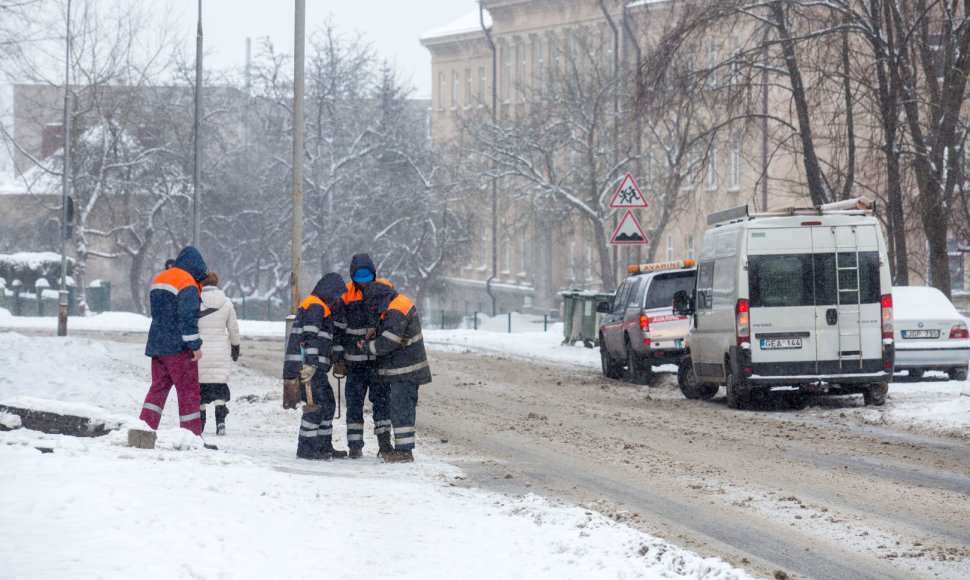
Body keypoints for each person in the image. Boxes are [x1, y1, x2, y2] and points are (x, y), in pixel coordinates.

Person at [139, 246, 211, 443]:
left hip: (157, 345)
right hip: (178, 349)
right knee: (188, 393)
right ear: (196, 267)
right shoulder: (187, 282)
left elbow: (160, 313)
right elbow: (188, 318)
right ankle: (192, 437)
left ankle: (144, 430)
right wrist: (194, 345)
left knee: (158, 389)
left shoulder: (160, 278)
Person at [358, 279, 432, 463]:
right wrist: (378, 331)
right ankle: (403, 450)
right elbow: (393, 333)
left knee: (402, 409)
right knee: (402, 408)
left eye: (373, 306)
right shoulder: (396, 303)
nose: (374, 310)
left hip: (405, 371)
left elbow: (388, 342)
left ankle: (404, 452)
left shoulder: (395, 311)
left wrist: (368, 346)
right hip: (407, 369)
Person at [283, 272, 350, 460]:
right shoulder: (315, 305)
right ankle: (306, 448)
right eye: (337, 295)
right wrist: (311, 365)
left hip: (314, 369)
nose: (338, 300)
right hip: (306, 369)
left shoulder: (323, 308)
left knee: (327, 404)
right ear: (329, 291)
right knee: (315, 406)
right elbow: (309, 338)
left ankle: (323, 446)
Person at [338, 253, 393, 459]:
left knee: (381, 403)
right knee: (354, 404)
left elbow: (392, 320)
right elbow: (339, 330)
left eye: (367, 279)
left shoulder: (385, 289)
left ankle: (385, 444)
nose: (363, 285)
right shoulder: (345, 294)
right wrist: (339, 360)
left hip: (377, 361)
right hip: (354, 363)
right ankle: (355, 446)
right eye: (359, 280)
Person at [197, 271, 240, 436]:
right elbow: (233, 328)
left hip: (200, 350)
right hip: (221, 349)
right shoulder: (227, 303)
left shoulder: (196, 301)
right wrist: (236, 346)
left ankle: (200, 423)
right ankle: (220, 422)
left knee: (201, 387)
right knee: (219, 386)